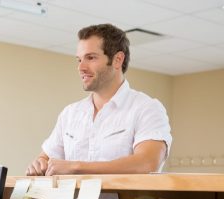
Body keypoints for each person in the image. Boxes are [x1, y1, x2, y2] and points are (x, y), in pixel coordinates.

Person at [27, 23, 172, 176]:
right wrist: (39, 163)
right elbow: (46, 157)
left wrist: (76, 167)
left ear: (117, 60)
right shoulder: (70, 114)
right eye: (79, 60)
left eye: (90, 58)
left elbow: (147, 163)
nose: (81, 67)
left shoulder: (147, 108)